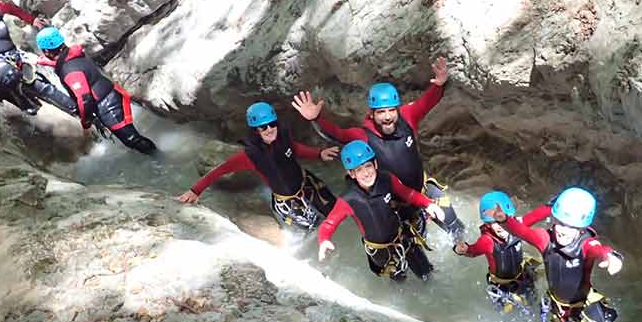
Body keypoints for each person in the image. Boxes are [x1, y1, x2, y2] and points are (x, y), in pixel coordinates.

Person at [292, 57, 465, 246]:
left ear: (397, 110)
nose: (388, 117)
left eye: (391, 110)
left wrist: (439, 85)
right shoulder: (362, 136)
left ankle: (463, 250)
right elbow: (337, 134)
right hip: (395, 203)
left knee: (457, 229)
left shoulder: (407, 117)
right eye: (381, 112)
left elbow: (426, 102)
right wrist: (316, 118)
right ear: (372, 114)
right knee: (414, 250)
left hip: (423, 189)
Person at [176, 102, 339, 232]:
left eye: (272, 124)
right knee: (314, 229)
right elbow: (221, 170)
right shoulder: (250, 156)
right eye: (263, 127)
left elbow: (295, 149)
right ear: (256, 130)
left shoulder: (283, 137)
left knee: (336, 212)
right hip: (288, 202)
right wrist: (195, 190)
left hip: (307, 183)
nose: (270, 129)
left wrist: (319, 154)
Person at [501, 187, 624, 322]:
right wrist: (503, 220)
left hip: (585, 307)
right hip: (557, 305)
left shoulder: (586, 245)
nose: (563, 230)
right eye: (560, 223)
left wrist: (611, 258)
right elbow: (521, 231)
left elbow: (600, 250)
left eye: (570, 226)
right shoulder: (545, 239)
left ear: (581, 229)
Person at [318, 140, 444, 282]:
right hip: (380, 251)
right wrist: (324, 240)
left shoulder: (387, 179)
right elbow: (330, 223)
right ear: (351, 174)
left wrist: (428, 204)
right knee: (399, 279)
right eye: (359, 170)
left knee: (426, 273)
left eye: (368, 166)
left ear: (375, 165)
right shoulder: (348, 199)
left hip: (401, 238)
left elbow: (408, 193)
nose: (366, 173)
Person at [35, 27, 157, 154]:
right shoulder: (74, 52)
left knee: (132, 139)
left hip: (108, 105)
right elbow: (68, 63)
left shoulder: (70, 72)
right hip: (111, 93)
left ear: (47, 51)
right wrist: (46, 62)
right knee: (131, 137)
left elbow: (85, 99)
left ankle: (158, 155)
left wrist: (85, 122)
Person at [454, 191, 549, 314]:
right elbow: (473, 251)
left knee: (533, 305)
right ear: (487, 225)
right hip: (501, 286)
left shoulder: (517, 226)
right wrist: (463, 249)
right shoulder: (487, 241)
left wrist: (554, 205)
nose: (499, 226)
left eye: (501, 220)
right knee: (506, 314)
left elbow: (536, 215)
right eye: (494, 223)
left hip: (521, 276)